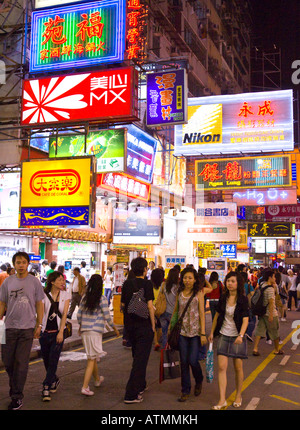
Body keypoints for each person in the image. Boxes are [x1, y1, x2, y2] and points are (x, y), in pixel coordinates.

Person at [0, 251, 44, 410]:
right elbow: (2, 303)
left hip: (27, 329)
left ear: (28, 264)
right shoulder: (7, 282)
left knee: (21, 364)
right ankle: (15, 387)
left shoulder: (34, 282)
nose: (21, 265)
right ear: (14, 264)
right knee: (8, 362)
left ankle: (17, 396)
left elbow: (40, 304)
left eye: (23, 262)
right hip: (9, 327)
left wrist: (39, 324)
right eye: (18, 262)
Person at [208, 272, 249, 410]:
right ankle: (222, 399)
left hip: (237, 336)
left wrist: (241, 335)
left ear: (238, 283)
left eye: (232, 281)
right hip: (223, 335)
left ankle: (238, 395)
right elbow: (217, 315)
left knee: (238, 368)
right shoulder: (223, 297)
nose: (229, 283)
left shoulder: (242, 300)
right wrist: (212, 332)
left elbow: (245, 319)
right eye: (228, 281)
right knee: (221, 367)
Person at [77, 274, 119, 396]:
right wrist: (114, 328)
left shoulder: (85, 298)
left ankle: (96, 380)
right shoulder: (102, 299)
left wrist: (81, 326)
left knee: (92, 356)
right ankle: (85, 387)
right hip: (95, 331)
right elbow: (107, 316)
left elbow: (79, 315)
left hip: (85, 330)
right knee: (91, 359)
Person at [121, 257, 155, 404]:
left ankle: (141, 385)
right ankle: (131, 394)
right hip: (144, 327)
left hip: (130, 327)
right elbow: (150, 306)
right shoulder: (147, 284)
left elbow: (123, 306)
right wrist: (153, 325)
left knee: (137, 357)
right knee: (140, 361)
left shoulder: (126, 284)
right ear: (145, 270)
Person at [170, 267, 207, 403]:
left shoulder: (199, 294)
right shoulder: (180, 293)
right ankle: (185, 390)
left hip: (196, 333)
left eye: (190, 278)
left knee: (192, 360)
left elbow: (202, 314)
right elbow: (175, 311)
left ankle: (199, 380)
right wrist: (170, 327)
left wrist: (203, 333)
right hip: (182, 333)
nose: (187, 280)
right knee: (184, 362)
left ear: (195, 279)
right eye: (185, 278)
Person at [40, 271, 71, 402]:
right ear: (52, 282)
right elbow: (41, 313)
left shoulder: (65, 294)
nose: (62, 282)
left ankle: (46, 386)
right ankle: (54, 379)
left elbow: (64, 314)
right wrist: (38, 328)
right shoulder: (43, 295)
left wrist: (60, 332)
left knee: (53, 359)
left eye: (62, 280)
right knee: (46, 360)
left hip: (58, 333)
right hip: (45, 332)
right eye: (59, 280)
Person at [252, 268, 284, 356]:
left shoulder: (262, 284)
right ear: (269, 277)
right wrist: (270, 315)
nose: (275, 279)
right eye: (273, 277)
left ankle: (255, 348)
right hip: (271, 313)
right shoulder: (270, 289)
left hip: (262, 312)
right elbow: (271, 303)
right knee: (275, 331)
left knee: (259, 330)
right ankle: (277, 349)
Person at [159, 268, 179, 349]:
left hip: (163, 312)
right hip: (173, 313)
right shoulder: (178, 287)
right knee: (173, 334)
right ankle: (172, 351)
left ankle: (165, 350)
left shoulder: (164, 284)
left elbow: (160, 296)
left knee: (164, 333)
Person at [151, 268, 165, 351]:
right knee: (160, 326)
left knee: (153, 325)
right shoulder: (163, 285)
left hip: (152, 307)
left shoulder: (150, 285)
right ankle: (158, 341)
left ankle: (155, 342)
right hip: (160, 307)